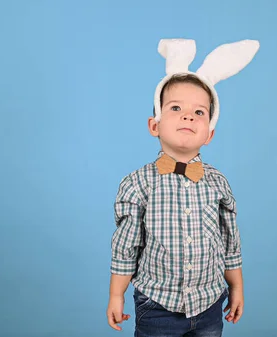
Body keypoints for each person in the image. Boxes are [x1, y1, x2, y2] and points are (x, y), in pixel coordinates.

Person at [106, 38, 260, 336]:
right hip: (157, 305)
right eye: (176, 108)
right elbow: (126, 246)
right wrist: (116, 295)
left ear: (209, 134)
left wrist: (237, 287)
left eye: (199, 112)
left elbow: (230, 243)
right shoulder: (138, 184)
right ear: (155, 125)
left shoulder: (217, 184)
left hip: (210, 304)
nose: (188, 115)